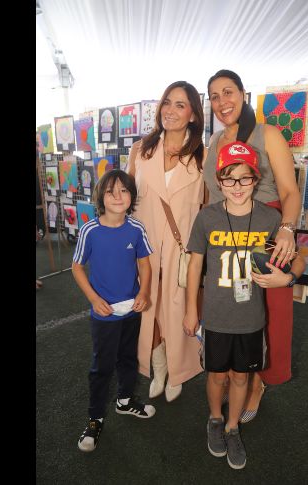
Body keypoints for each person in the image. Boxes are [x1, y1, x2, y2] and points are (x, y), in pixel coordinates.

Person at [183, 141, 305, 470]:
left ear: (256, 178)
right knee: (216, 376)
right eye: (229, 178)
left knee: (240, 378)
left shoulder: (270, 219)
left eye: (244, 178)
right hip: (216, 317)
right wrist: (190, 308)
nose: (237, 186)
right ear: (219, 181)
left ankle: (232, 426)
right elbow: (195, 266)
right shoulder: (207, 217)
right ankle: (214, 418)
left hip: (251, 319)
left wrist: (287, 280)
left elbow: (300, 261)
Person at [205, 69, 302, 423]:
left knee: (272, 308)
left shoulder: (268, 134)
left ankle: (260, 380)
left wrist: (287, 230)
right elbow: (210, 196)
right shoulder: (214, 143)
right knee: (233, 306)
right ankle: (236, 373)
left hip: (266, 229)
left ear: (244, 94)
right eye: (214, 96)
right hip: (226, 233)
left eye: (228, 92)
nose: (221, 102)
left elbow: (290, 192)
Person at [127, 81, 206, 402]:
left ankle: (179, 369)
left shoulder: (204, 156)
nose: (170, 111)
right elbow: (127, 200)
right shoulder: (141, 150)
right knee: (149, 308)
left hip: (183, 250)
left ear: (193, 115)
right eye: (167, 103)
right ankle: (158, 367)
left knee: (178, 310)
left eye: (180, 105)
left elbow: (208, 208)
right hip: (143, 247)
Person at [71, 169, 156, 453]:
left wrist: (143, 293)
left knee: (128, 358)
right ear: (101, 197)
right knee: (102, 367)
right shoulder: (89, 230)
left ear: (131, 195)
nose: (118, 196)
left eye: (123, 190)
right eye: (111, 191)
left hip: (131, 310)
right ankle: (95, 418)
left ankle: (125, 402)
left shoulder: (136, 228)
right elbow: (76, 267)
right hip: (104, 316)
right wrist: (94, 299)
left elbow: (144, 263)